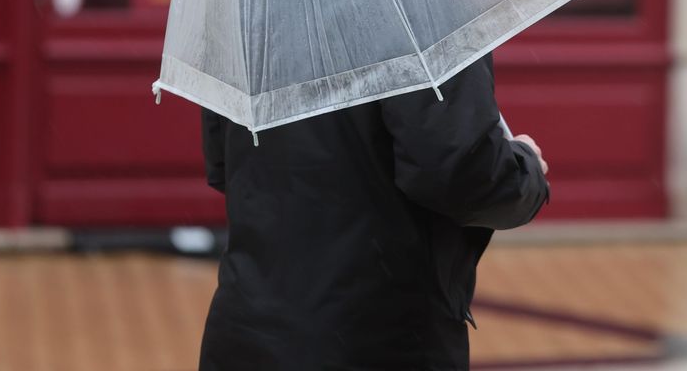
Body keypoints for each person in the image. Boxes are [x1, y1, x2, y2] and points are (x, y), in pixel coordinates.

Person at [196, 53, 550, 371]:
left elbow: (222, 163)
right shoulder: (417, 2)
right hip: (376, 334)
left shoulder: (248, 1)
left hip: (247, 330)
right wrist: (525, 166)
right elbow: (463, 179)